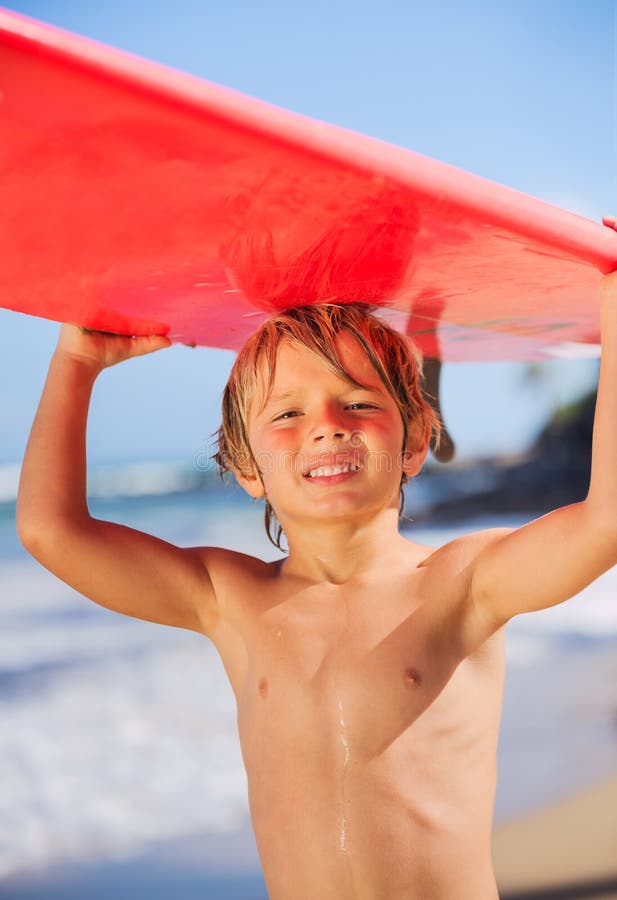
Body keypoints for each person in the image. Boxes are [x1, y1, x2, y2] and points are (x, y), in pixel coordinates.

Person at [17, 217, 617, 900]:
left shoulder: (463, 583)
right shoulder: (227, 597)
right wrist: (76, 364)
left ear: (415, 441)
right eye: (286, 415)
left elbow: (605, 522)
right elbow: (50, 530)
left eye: (359, 402)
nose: (327, 424)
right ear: (246, 465)